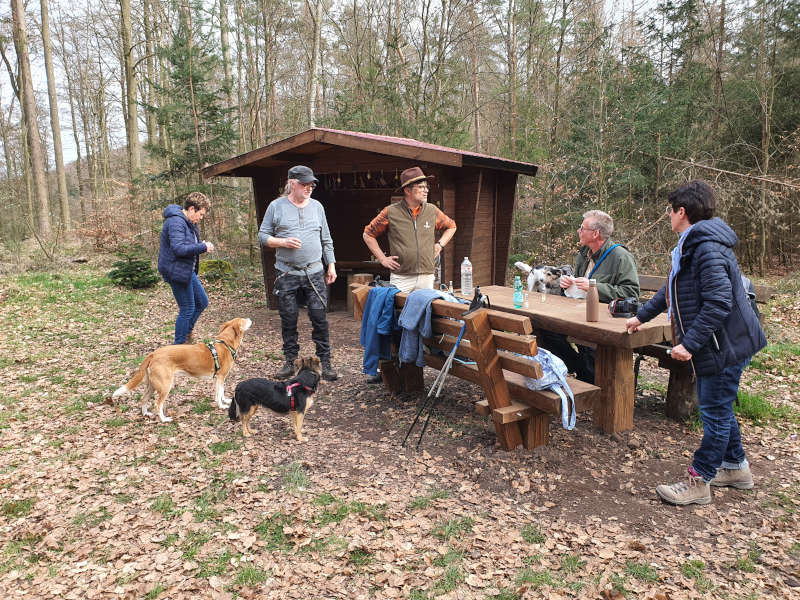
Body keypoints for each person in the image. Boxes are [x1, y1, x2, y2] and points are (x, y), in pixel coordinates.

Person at [626, 180, 766, 506]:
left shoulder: (706, 248)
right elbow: (671, 289)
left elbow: (718, 302)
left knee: (714, 412)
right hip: (720, 342)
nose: (668, 216)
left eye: (670, 210)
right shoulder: (692, 247)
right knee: (718, 407)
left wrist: (689, 344)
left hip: (725, 345)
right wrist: (641, 317)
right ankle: (735, 468)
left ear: (682, 212)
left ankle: (699, 480)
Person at [538, 209, 640, 383]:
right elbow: (578, 289)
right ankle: (580, 367)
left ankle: (590, 376)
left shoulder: (621, 256)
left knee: (589, 344)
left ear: (596, 233)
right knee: (542, 327)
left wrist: (593, 287)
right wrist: (567, 285)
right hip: (578, 313)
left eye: (582, 228)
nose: (578, 231)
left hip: (604, 319)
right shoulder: (583, 255)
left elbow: (631, 293)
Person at [258, 165, 338, 381]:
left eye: (311, 184)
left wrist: (331, 265)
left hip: (314, 272)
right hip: (286, 273)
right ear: (292, 183)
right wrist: (282, 241)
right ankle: (290, 362)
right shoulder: (276, 207)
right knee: (289, 318)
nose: (309, 187)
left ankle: (325, 363)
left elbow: (326, 239)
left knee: (319, 318)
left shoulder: (317, 207)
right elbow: (263, 236)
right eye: (304, 184)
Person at [363, 166, 457, 294]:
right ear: (408, 190)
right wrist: (382, 259)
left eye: (426, 187)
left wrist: (440, 245)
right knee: (399, 313)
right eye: (421, 187)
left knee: (425, 313)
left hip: (427, 276)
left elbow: (452, 226)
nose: (426, 190)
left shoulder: (432, 210)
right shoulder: (391, 212)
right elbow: (368, 234)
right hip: (401, 277)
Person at [158, 191, 215, 345]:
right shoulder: (176, 222)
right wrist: (202, 247)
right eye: (200, 214)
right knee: (187, 308)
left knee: (202, 302)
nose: (200, 218)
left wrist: (198, 245)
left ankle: (186, 333)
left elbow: (186, 245)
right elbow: (178, 248)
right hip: (175, 270)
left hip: (186, 270)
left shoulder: (188, 223)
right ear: (191, 209)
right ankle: (179, 347)